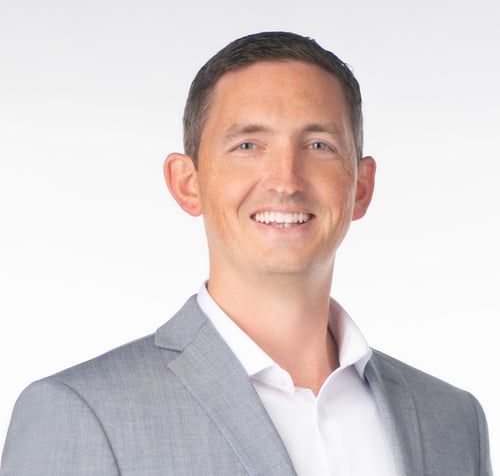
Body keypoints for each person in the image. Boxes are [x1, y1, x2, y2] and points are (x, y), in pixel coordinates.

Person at [0, 31, 492, 476]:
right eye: (248, 145)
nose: (285, 180)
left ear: (360, 188)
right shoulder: (83, 413)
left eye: (318, 145)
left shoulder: (453, 420)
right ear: (187, 183)